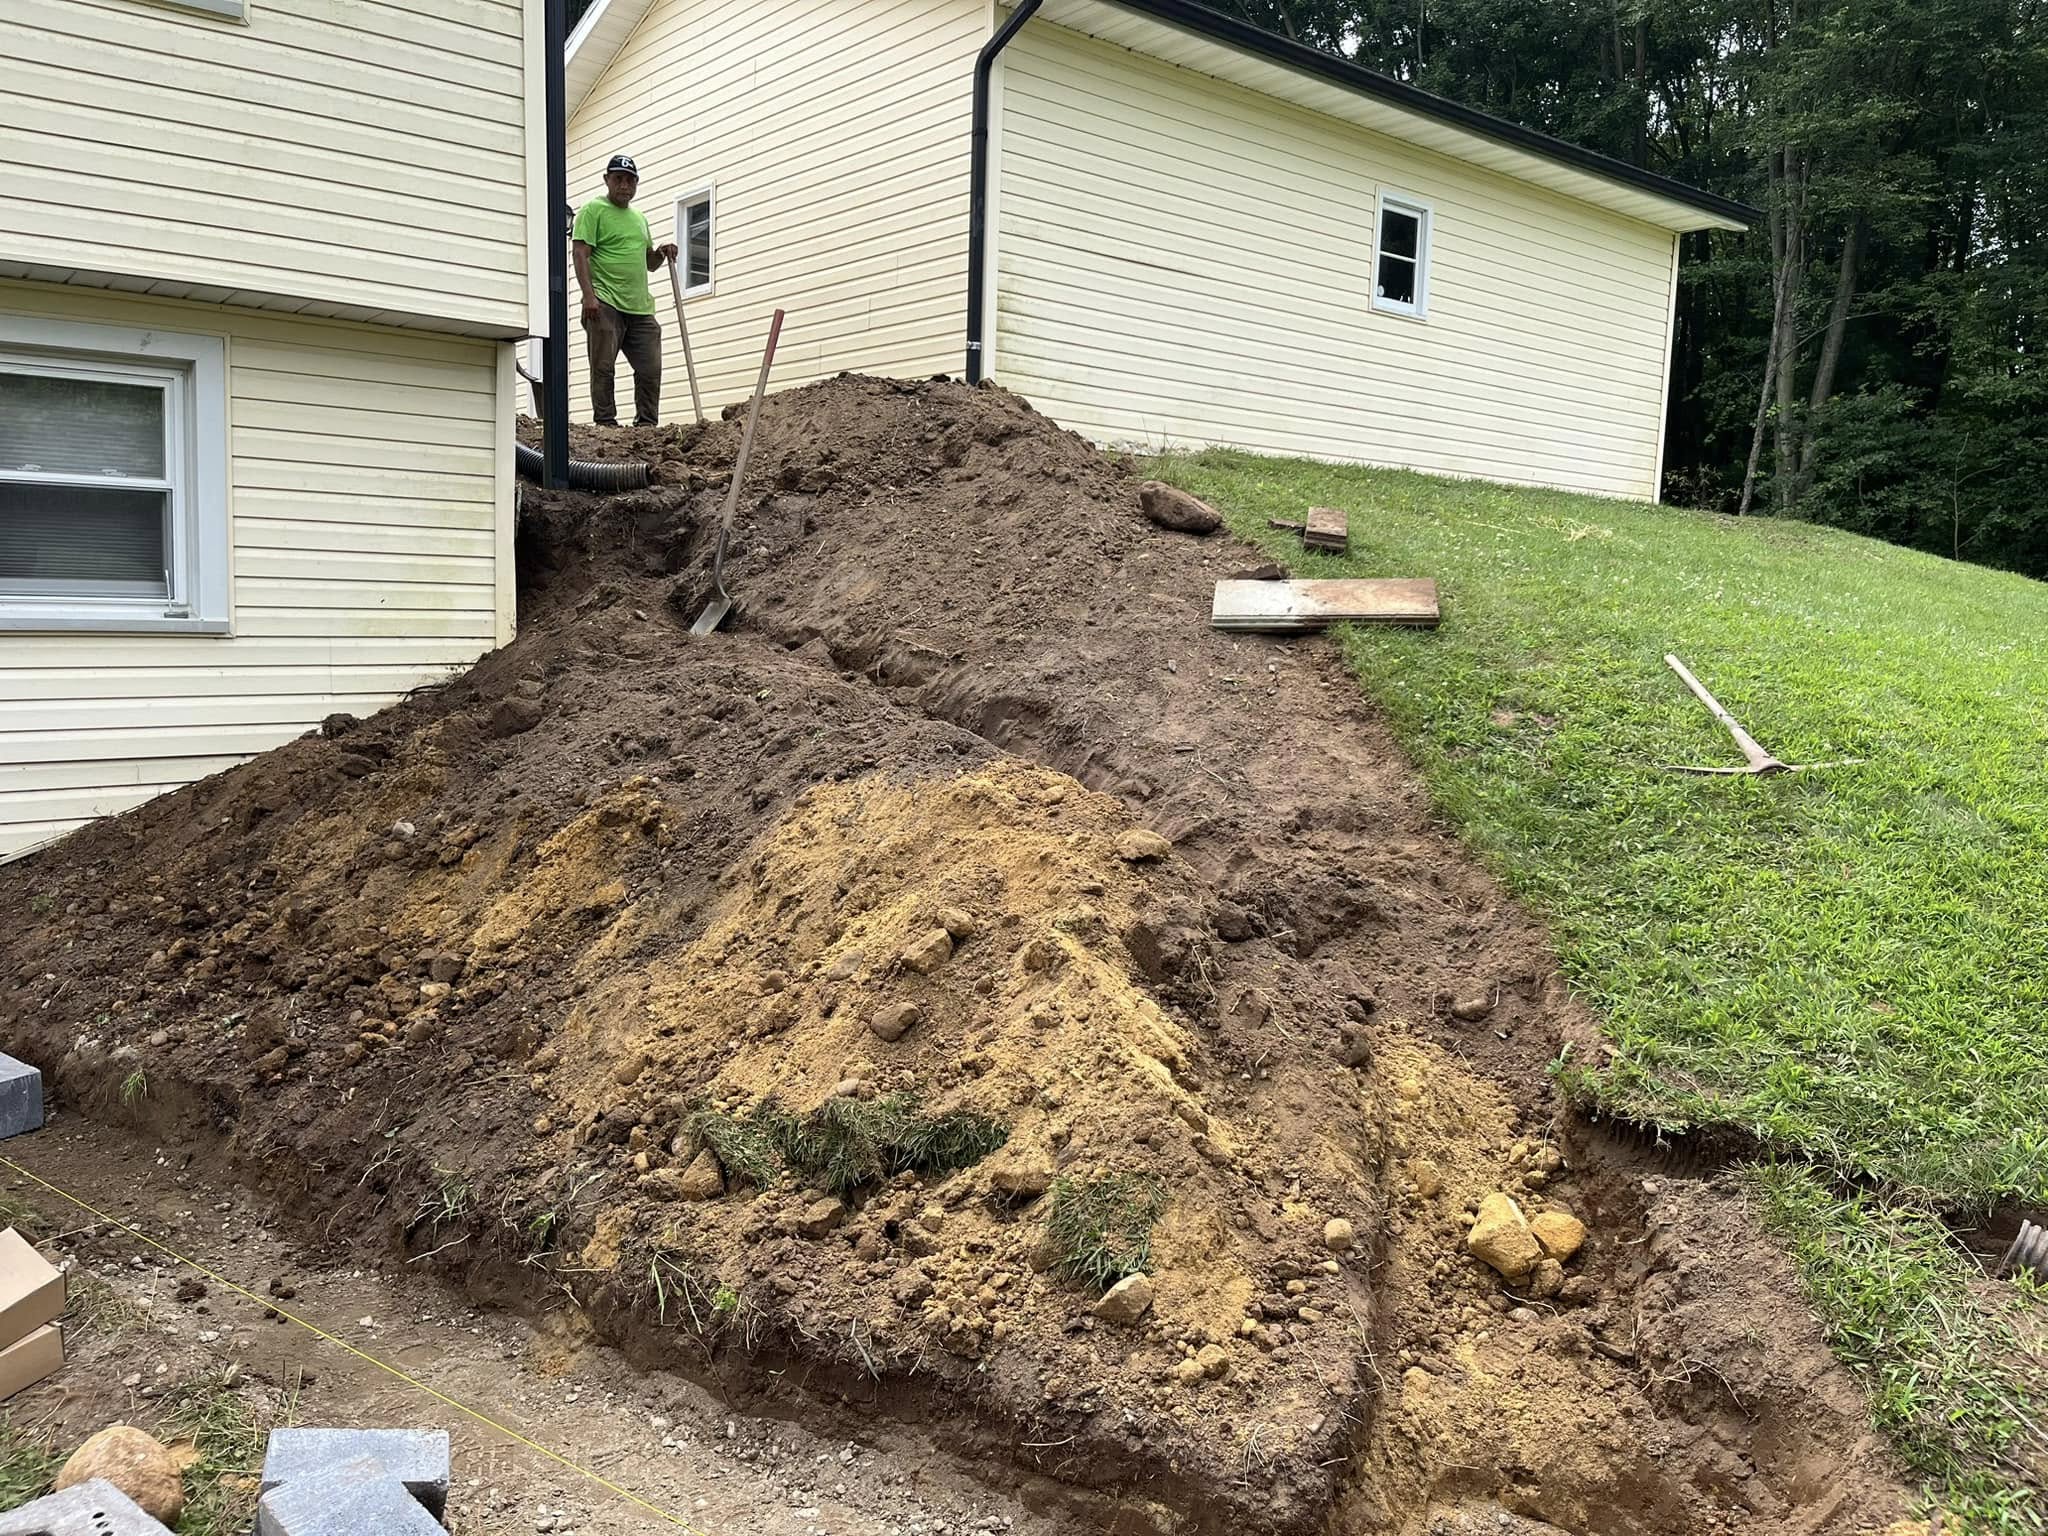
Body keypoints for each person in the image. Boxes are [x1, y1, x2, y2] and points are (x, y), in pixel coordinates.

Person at [572, 154, 678, 426]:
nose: (624, 185)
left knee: (650, 368)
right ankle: (606, 423)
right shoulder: (593, 210)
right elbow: (580, 253)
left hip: (639, 307)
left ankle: (646, 425)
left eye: (630, 180)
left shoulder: (639, 218)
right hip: (605, 301)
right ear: (607, 180)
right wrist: (589, 296)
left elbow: (649, 263)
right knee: (603, 367)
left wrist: (661, 253)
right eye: (618, 179)